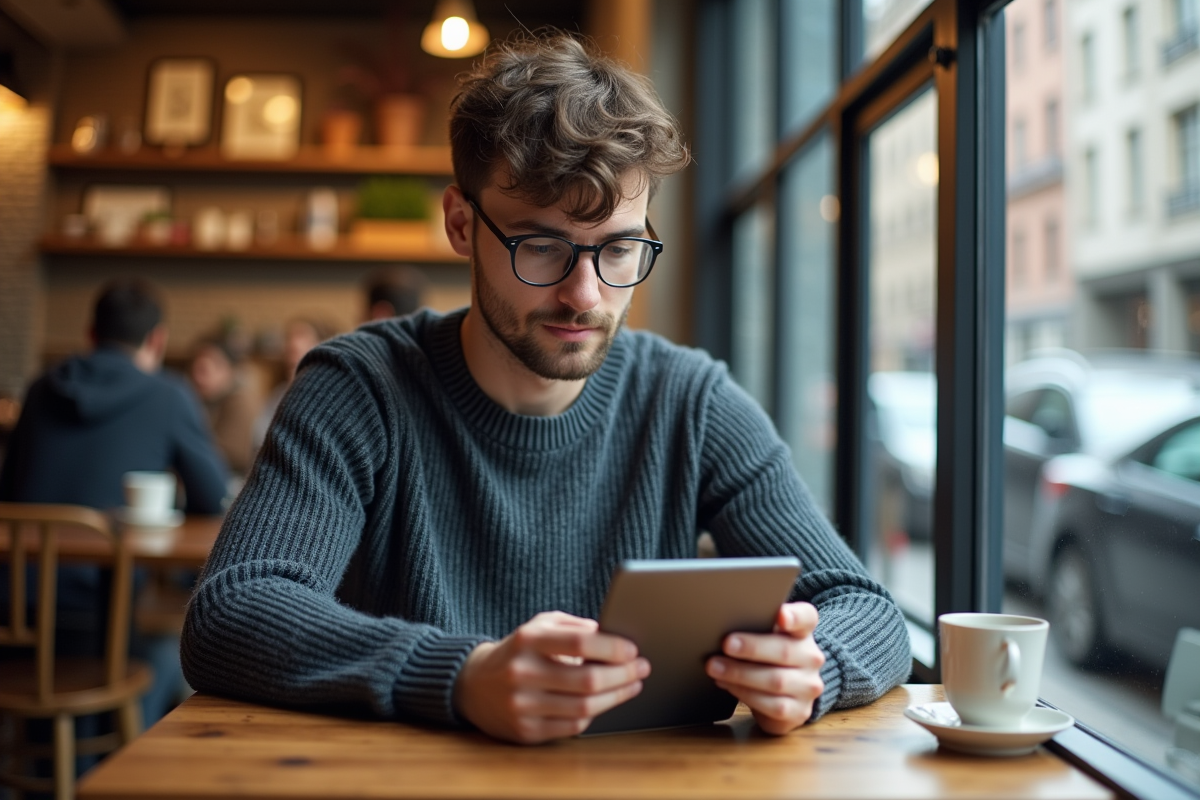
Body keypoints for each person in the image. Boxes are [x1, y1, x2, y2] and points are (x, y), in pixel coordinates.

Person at [182, 33, 911, 745]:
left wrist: (813, 668)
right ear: (462, 225)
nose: (583, 295)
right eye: (542, 247)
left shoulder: (691, 401)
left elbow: (866, 611)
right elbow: (232, 613)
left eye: (620, 248)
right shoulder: (359, 389)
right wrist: (460, 675)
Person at [0, 277, 229, 725]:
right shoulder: (168, 395)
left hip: (10, 611)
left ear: (90, 334)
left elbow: (9, 491)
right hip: (98, 615)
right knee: (165, 659)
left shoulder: (41, 388)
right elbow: (213, 496)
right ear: (157, 340)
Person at [250, 316, 336, 454]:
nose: (293, 343)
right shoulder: (278, 393)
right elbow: (258, 438)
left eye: (302, 336)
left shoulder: (330, 396)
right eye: (290, 337)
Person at [189, 333, 263, 477]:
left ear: (231, 371)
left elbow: (234, 454)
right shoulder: (196, 399)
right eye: (197, 365)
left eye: (215, 364)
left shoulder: (241, 400)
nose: (201, 374)